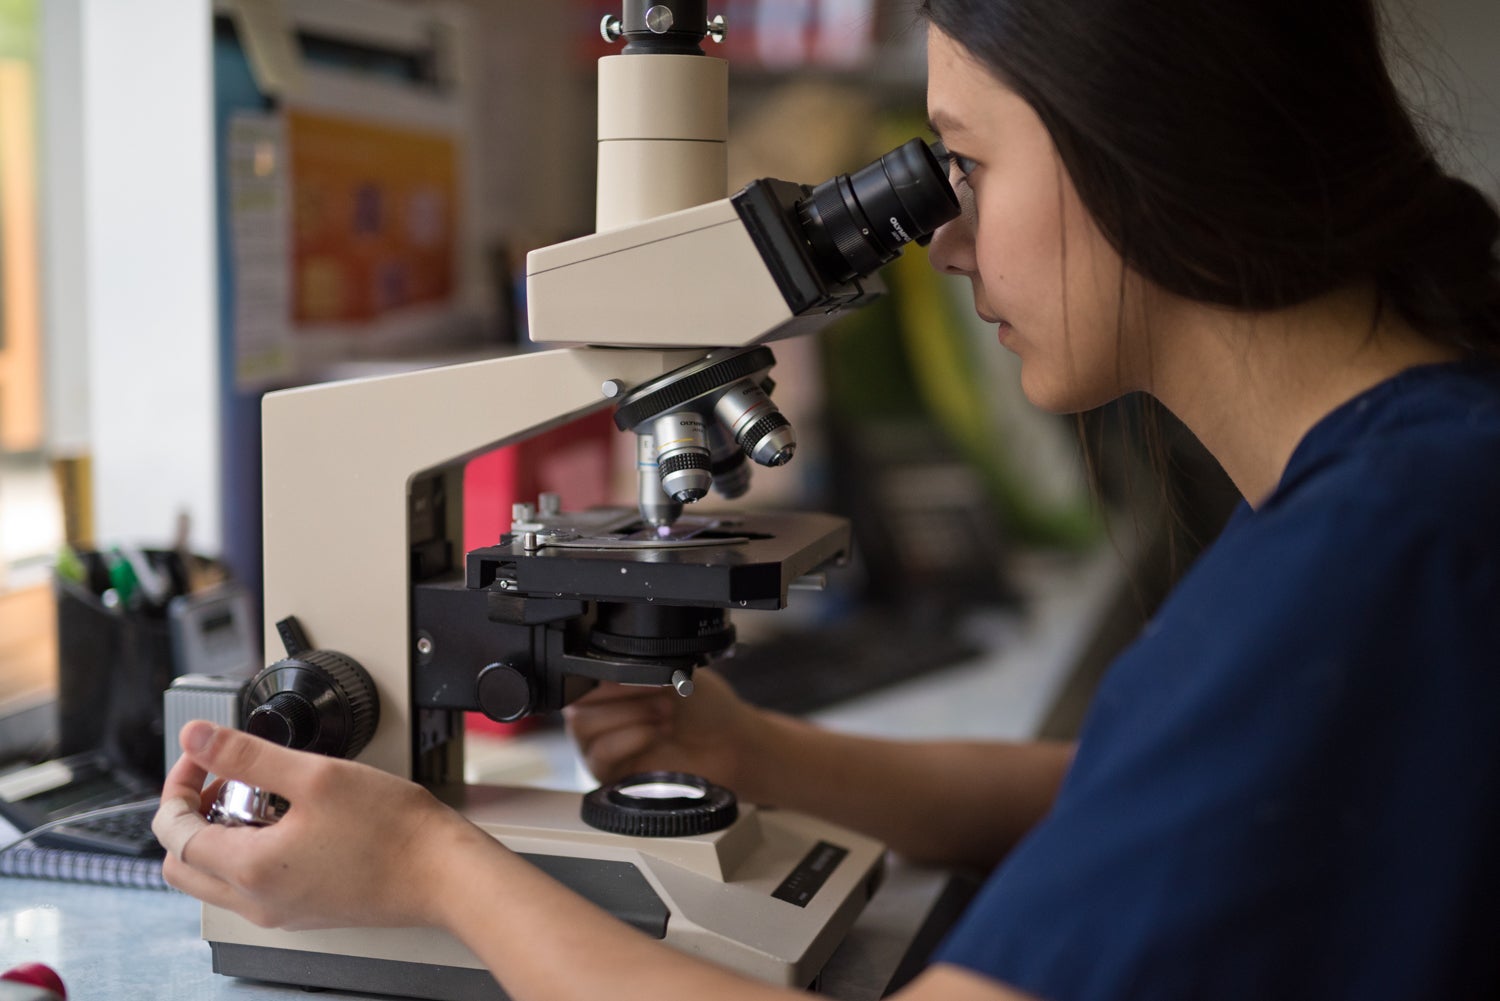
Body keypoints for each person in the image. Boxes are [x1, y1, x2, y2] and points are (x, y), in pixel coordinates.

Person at [154, 0, 1500, 998]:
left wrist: (430, 869)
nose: (951, 240)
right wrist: (768, 759)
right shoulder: (1409, 477)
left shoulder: (1377, 550)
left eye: (963, 166)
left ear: (1141, 148)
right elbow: (1144, 798)